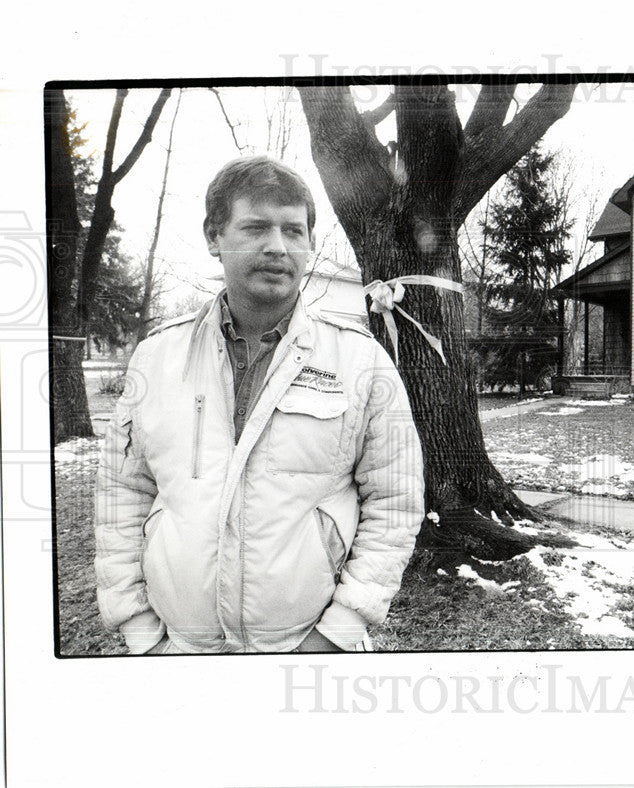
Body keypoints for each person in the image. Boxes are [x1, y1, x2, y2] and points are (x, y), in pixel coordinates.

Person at [94, 156, 424, 654]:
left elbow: (395, 503)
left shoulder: (361, 361)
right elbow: (122, 495)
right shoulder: (156, 357)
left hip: (312, 653)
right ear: (214, 236)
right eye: (255, 227)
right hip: (180, 653)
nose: (278, 246)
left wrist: (339, 633)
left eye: (294, 230)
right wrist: (141, 632)